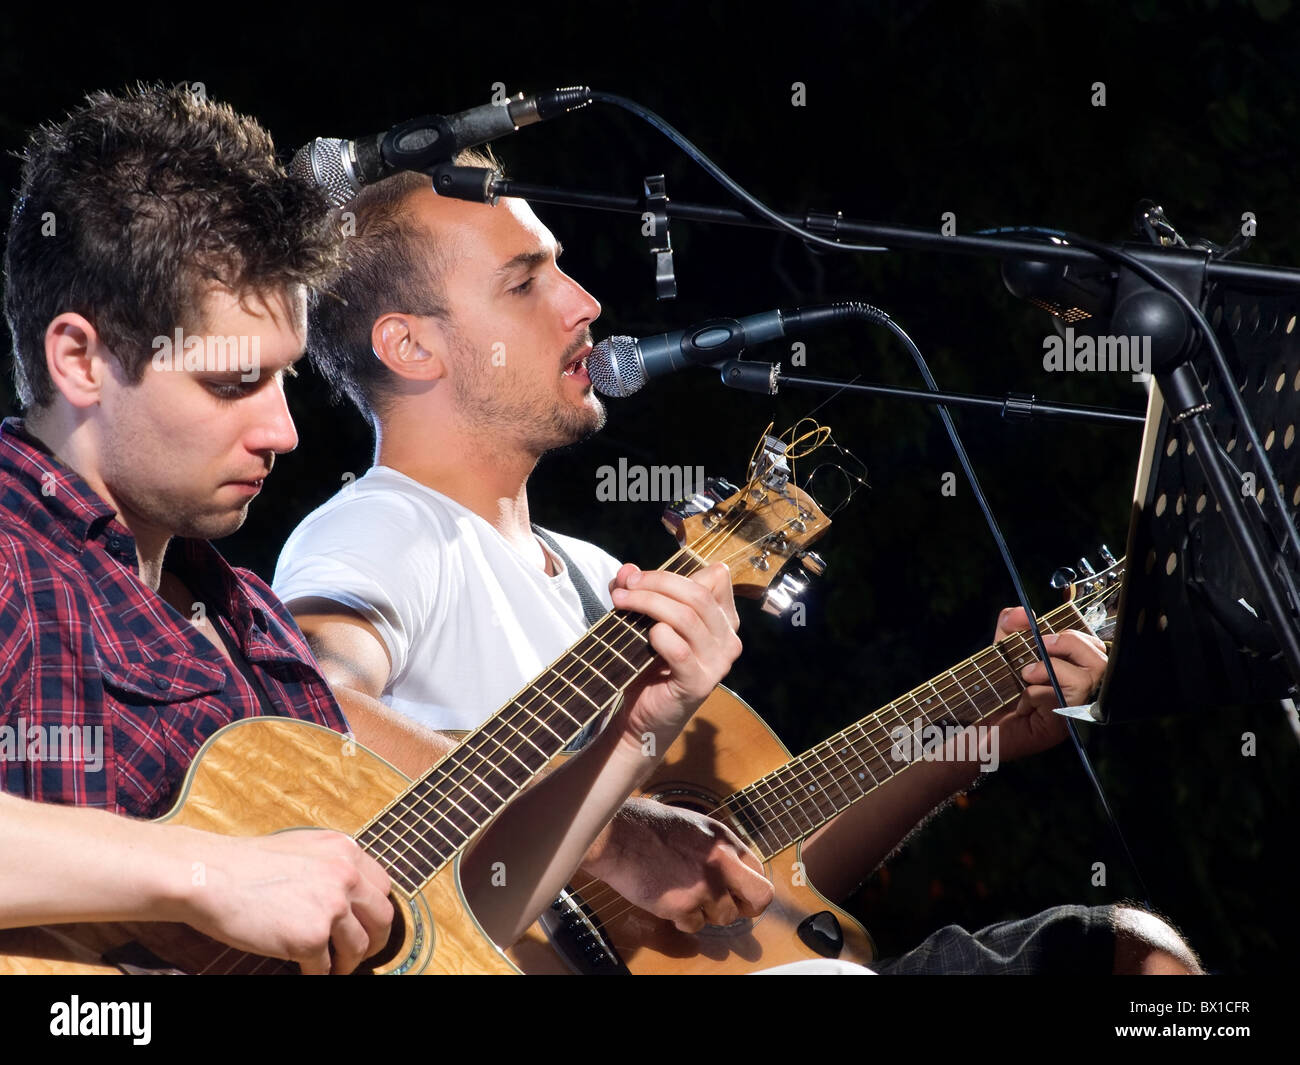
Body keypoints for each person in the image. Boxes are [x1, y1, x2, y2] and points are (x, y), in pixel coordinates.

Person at [275, 156, 1200, 973]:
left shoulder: (598, 576)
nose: (585, 301)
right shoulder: (385, 529)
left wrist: (982, 733)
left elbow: (775, 880)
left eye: (560, 265)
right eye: (526, 282)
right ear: (411, 344)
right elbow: (305, 712)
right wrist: (610, 833)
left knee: (1134, 957)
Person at [0, 86, 743, 973]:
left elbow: (464, 921)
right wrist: (200, 873)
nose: (283, 430)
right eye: (234, 383)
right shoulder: (14, 559)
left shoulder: (253, 628)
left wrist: (629, 740)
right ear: (80, 359)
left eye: (284, 379)